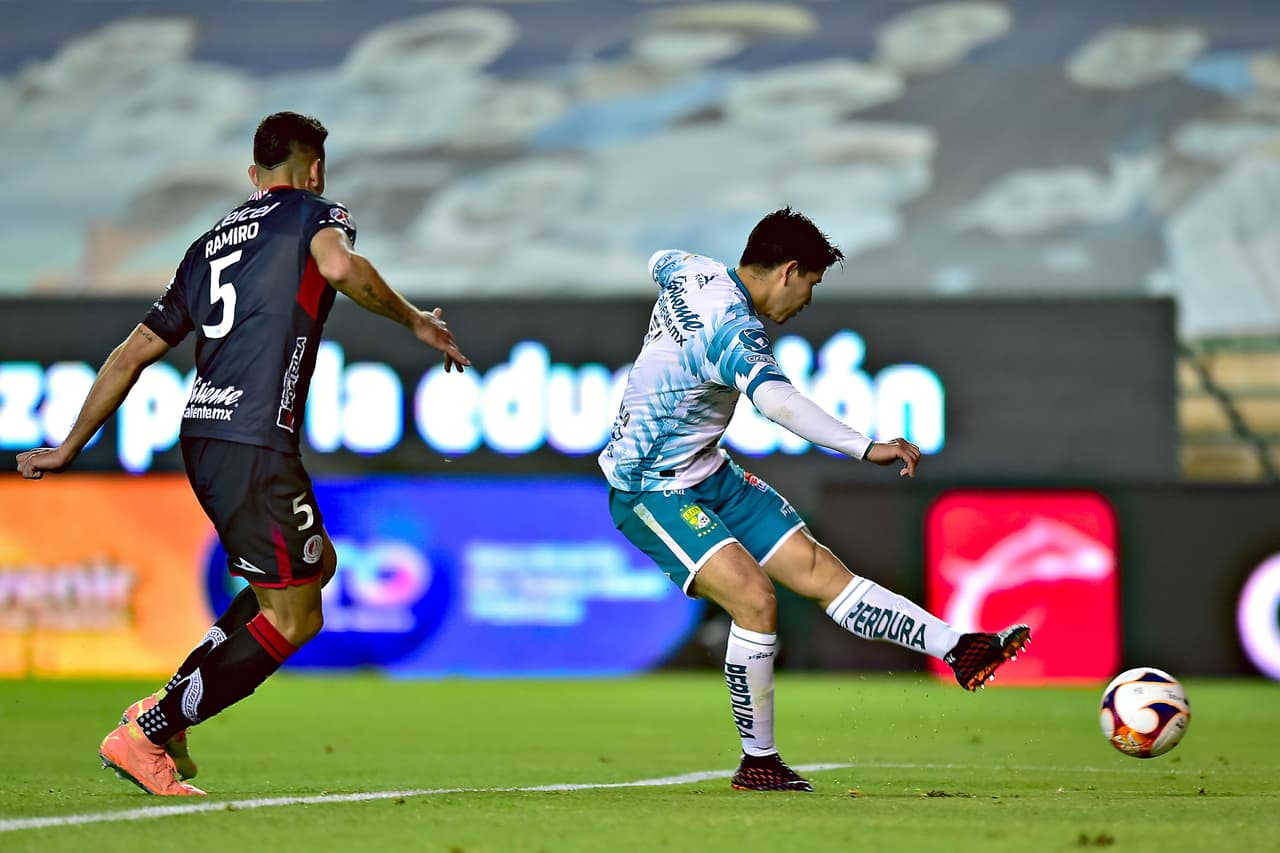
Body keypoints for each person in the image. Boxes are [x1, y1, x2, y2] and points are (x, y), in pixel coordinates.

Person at [15, 112, 470, 797]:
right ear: (314, 170)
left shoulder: (207, 246)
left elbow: (132, 352)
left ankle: (164, 711)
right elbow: (339, 266)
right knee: (296, 616)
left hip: (205, 434)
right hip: (253, 439)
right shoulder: (315, 213)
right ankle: (149, 732)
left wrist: (70, 445)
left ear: (253, 174)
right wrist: (416, 321)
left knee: (310, 571)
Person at [599, 208, 1030, 792]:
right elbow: (778, 403)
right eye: (811, 283)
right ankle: (759, 762)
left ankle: (959, 648)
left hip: (709, 471)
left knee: (820, 572)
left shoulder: (688, 269)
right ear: (788, 271)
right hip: (651, 487)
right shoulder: (733, 330)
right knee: (755, 600)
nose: (806, 300)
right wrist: (865, 447)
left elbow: (659, 260)